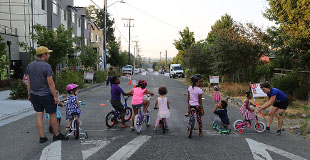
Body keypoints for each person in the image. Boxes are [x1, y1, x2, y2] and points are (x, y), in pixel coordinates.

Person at [26, 46, 65, 143]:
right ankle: (57, 134)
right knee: (52, 114)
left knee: (39, 114)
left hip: (34, 94)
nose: (49, 55)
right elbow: (50, 82)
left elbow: (28, 81)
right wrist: (55, 96)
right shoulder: (46, 66)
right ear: (44, 55)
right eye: (48, 53)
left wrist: (29, 94)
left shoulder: (30, 66)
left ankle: (42, 137)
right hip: (45, 94)